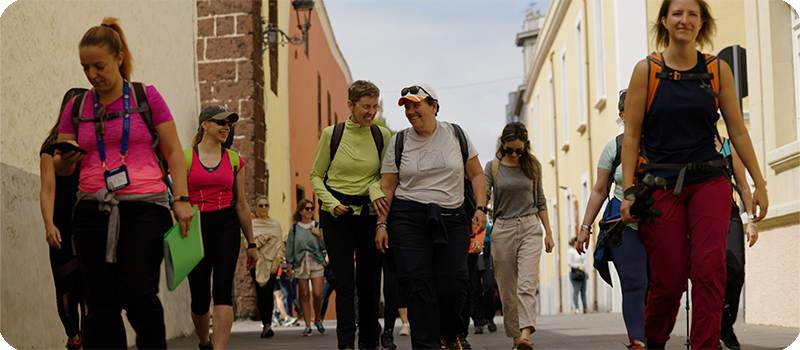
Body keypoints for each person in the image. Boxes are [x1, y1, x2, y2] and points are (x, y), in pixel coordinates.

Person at [619, 1, 768, 349]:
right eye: (677, 13)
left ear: (702, 22)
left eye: (692, 14)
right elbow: (631, 136)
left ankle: (704, 345)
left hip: (709, 181)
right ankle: (653, 342)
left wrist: (758, 184)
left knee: (709, 272)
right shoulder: (647, 70)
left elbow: (738, 131)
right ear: (665, 21)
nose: (684, 20)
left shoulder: (718, 70)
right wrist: (628, 191)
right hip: (660, 184)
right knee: (668, 282)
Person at [53, 17, 194, 350]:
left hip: (144, 208)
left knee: (137, 293)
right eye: (85, 68)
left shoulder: (146, 97)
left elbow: (174, 151)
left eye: (98, 66)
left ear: (118, 58)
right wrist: (65, 160)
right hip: (90, 210)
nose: (91, 75)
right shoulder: (76, 106)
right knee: (100, 305)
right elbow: (60, 168)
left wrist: (183, 199)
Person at [376, 83, 487, 350]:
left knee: (455, 284)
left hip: (452, 217)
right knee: (418, 288)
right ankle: (427, 346)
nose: (412, 111)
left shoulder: (455, 134)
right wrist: (381, 224)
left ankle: (450, 333)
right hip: (408, 218)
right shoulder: (398, 141)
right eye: (407, 107)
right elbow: (388, 187)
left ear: (434, 106)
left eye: (417, 105)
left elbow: (476, 174)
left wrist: (481, 208)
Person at [310, 80, 392, 350]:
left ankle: (370, 341)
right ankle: (345, 343)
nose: (371, 112)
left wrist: (373, 190)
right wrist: (331, 203)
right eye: (365, 107)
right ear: (350, 105)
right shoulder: (331, 134)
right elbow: (315, 176)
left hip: (369, 215)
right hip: (336, 216)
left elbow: (382, 177)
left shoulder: (382, 136)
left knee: (369, 284)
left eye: (375, 106)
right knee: (345, 283)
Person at [576, 89, 647, 349]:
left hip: (660, 221)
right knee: (634, 282)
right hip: (623, 224)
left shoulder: (662, 142)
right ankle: (638, 340)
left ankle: (652, 334)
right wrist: (585, 227)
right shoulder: (613, 148)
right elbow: (599, 189)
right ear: (622, 114)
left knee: (664, 285)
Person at [185, 105, 257, 350]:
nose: (227, 127)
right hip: (194, 227)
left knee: (223, 289)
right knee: (200, 297)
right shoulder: (184, 158)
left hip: (226, 225)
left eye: (229, 123)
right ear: (205, 124)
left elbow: (242, 206)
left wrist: (252, 243)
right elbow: (175, 200)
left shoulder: (236, 161)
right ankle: (204, 342)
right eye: (221, 122)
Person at [483, 122, 554, 350]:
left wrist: (549, 233)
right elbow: (482, 197)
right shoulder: (492, 168)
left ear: (526, 147)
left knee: (526, 283)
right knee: (507, 289)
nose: (514, 154)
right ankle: (516, 339)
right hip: (502, 229)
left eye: (519, 150)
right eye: (509, 150)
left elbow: (540, 200)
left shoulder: (533, 165)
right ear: (502, 145)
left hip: (530, 227)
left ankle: (525, 337)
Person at [39, 89, 89, 350]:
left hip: (92, 226)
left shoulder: (95, 142)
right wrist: (49, 224)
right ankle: (74, 336)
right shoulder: (51, 145)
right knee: (67, 298)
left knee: (93, 295)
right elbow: (47, 189)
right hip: (63, 227)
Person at [713, 131, 758, 350]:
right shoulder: (687, 142)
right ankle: (710, 330)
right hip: (696, 216)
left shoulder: (727, 146)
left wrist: (751, 220)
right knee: (707, 270)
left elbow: (742, 184)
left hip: (729, 214)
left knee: (736, 268)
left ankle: (725, 324)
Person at [286, 198, 328, 337]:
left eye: (311, 208)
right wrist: (289, 266)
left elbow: (324, 246)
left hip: (316, 261)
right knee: (304, 295)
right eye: (307, 208)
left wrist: (319, 235)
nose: (310, 211)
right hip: (300, 262)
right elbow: (290, 248)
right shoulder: (294, 229)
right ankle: (307, 325)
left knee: (317, 294)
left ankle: (318, 318)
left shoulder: (317, 225)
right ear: (300, 211)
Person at [249, 195, 285, 338]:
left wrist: (276, 264)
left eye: (266, 205)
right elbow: (248, 245)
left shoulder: (275, 224)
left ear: (269, 207)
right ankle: (265, 324)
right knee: (260, 293)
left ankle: (267, 325)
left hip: (271, 263)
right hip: (256, 264)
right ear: (256, 208)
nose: (264, 208)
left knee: (268, 293)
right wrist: (265, 238)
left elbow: (280, 246)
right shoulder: (251, 224)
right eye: (261, 205)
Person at [457, 220, 486, 349]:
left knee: (466, 289)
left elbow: (480, 212)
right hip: (448, 243)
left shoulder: (473, 198)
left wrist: (479, 239)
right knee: (448, 288)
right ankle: (445, 333)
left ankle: (462, 334)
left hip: (471, 244)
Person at [471, 219, 498, 335]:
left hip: (488, 248)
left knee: (489, 285)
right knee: (474, 288)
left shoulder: (492, 205)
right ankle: (478, 322)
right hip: (472, 247)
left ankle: (489, 317)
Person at [567, 237, 588, 314]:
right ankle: (576, 308)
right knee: (576, 290)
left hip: (582, 273)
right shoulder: (570, 251)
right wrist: (578, 267)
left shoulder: (580, 251)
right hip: (575, 273)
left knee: (583, 291)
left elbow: (583, 262)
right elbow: (569, 262)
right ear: (574, 242)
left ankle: (585, 308)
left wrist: (585, 272)